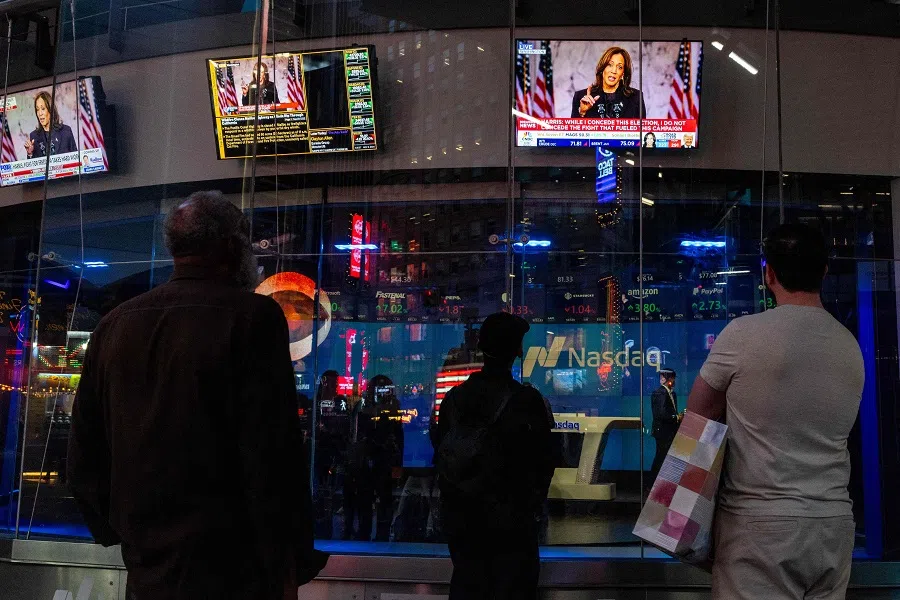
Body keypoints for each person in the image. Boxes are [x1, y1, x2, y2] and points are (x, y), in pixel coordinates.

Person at [67, 191, 326, 600]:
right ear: (230, 247)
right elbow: (272, 454)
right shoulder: (253, 318)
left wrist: (127, 533)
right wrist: (288, 560)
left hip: (146, 565)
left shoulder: (114, 324)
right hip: (232, 567)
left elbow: (83, 453)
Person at [687, 223, 864, 600]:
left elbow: (697, 417)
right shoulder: (849, 343)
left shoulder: (743, 334)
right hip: (833, 524)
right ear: (824, 271)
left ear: (768, 274)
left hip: (759, 524)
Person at [431, 312, 556, 600]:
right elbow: (546, 460)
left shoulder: (454, 398)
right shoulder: (527, 401)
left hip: (464, 527)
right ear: (516, 351)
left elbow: (442, 451)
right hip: (512, 528)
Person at [571, 47, 646, 119]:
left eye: (619, 67)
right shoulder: (580, 97)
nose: (614, 71)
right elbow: (571, 130)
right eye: (610, 65)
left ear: (623, 74)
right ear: (602, 68)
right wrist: (582, 112)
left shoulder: (636, 98)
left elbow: (643, 131)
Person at [24, 91, 77, 159]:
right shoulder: (34, 136)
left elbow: (76, 160)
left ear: (50, 109)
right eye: (37, 109)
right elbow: (32, 167)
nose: (40, 113)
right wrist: (30, 153)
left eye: (43, 109)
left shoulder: (66, 131)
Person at [650, 368, 680, 483]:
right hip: (663, 431)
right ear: (670, 379)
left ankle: (658, 483)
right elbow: (661, 413)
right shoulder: (660, 393)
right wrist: (676, 417)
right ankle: (653, 483)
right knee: (661, 457)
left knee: (663, 457)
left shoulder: (671, 393)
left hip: (668, 431)